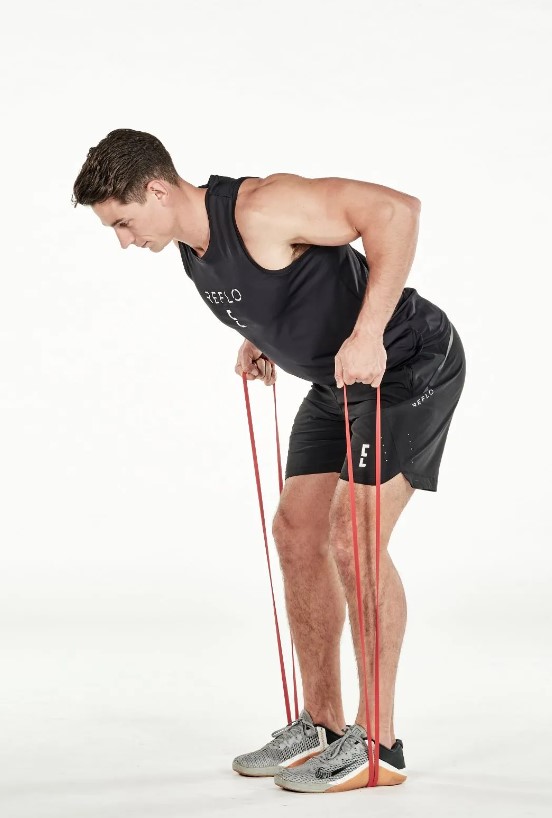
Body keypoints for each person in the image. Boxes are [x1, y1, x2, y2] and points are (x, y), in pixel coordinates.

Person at [72, 128, 466, 794]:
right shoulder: (192, 250)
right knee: (296, 536)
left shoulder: (260, 207)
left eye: (124, 221)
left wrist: (369, 332)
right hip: (335, 380)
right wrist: (259, 340)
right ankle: (322, 725)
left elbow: (397, 211)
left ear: (158, 190)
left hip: (403, 366)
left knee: (352, 541)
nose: (124, 240)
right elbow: (283, 291)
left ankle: (381, 746)